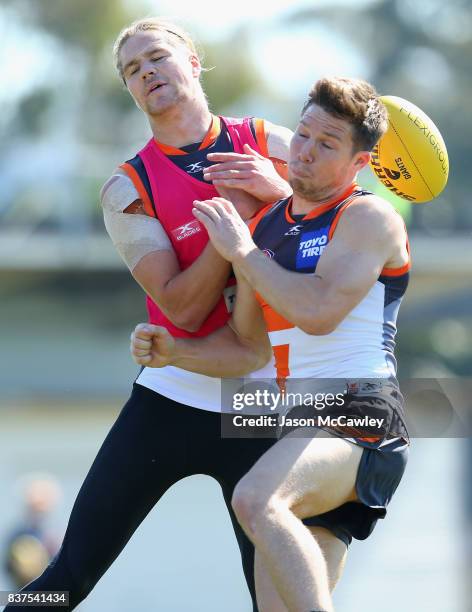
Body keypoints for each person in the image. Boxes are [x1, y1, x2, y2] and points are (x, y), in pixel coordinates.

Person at [4, 17, 293, 612]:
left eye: (157, 57)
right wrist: (235, 227)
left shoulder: (271, 144)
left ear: (191, 60)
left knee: (273, 589)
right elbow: (182, 310)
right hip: (172, 393)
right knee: (69, 577)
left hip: (258, 399)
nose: (147, 73)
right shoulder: (127, 187)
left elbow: (344, 230)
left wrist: (281, 196)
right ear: (131, 91)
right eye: (132, 70)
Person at [131, 77, 410, 612]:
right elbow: (248, 349)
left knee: (255, 499)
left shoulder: (367, 217)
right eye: (302, 134)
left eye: (326, 144)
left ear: (360, 163)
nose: (302, 152)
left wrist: (241, 250)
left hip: (361, 413)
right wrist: (173, 352)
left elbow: (319, 313)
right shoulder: (266, 229)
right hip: (296, 422)